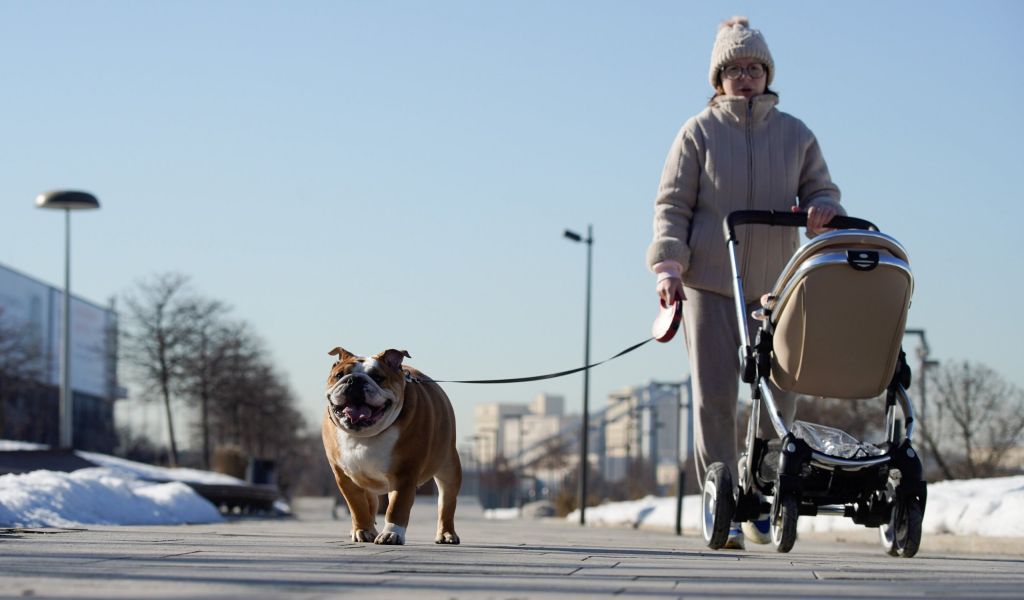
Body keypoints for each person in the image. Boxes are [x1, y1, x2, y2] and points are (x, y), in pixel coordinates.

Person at [646, 16, 843, 549]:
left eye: (755, 68)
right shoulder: (697, 133)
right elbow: (672, 205)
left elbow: (822, 189)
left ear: (767, 73)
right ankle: (725, 501)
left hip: (777, 287)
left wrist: (822, 207)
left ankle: (762, 491)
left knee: (780, 393)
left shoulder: (796, 133)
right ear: (719, 78)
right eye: (735, 69)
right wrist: (669, 268)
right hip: (710, 283)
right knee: (714, 397)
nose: (747, 78)